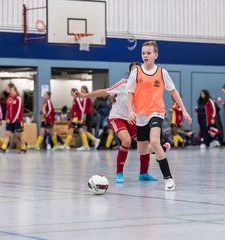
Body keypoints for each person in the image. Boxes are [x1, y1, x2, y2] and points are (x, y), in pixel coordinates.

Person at [77, 62, 170, 183]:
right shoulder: (123, 84)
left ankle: (144, 174)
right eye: (133, 70)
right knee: (126, 140)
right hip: (118, 118)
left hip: (134, 120)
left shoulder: (146, 87)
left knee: (145, 142)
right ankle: (119, 173)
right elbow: (105, 91)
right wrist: (85, 95)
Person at [127, 41, 192, 191]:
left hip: (156, 112)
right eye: (143, 53)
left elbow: (173, 92)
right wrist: (130, 110)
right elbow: (130, 92)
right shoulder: (135, 72)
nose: (145, 55)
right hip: (140, 114)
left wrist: (184, 109)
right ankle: (163, 148)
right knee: (142, 151)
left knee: (154, 142)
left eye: (148, 53)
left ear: (156, 55)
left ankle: (168, 178)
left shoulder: (162, 73)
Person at [0, 86, 27, 153]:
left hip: (18, 120)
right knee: (7, 134)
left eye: (12, 90)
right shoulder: (9, 99)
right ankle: (3, 148)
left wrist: (13, 120)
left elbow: (19, 110)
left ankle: (23, 148)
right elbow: (8, 110)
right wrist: (7, 118)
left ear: (15, 91)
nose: (11, 91)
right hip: (10, 121)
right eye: (10, 90)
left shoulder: (18, 99)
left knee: (19, 135)